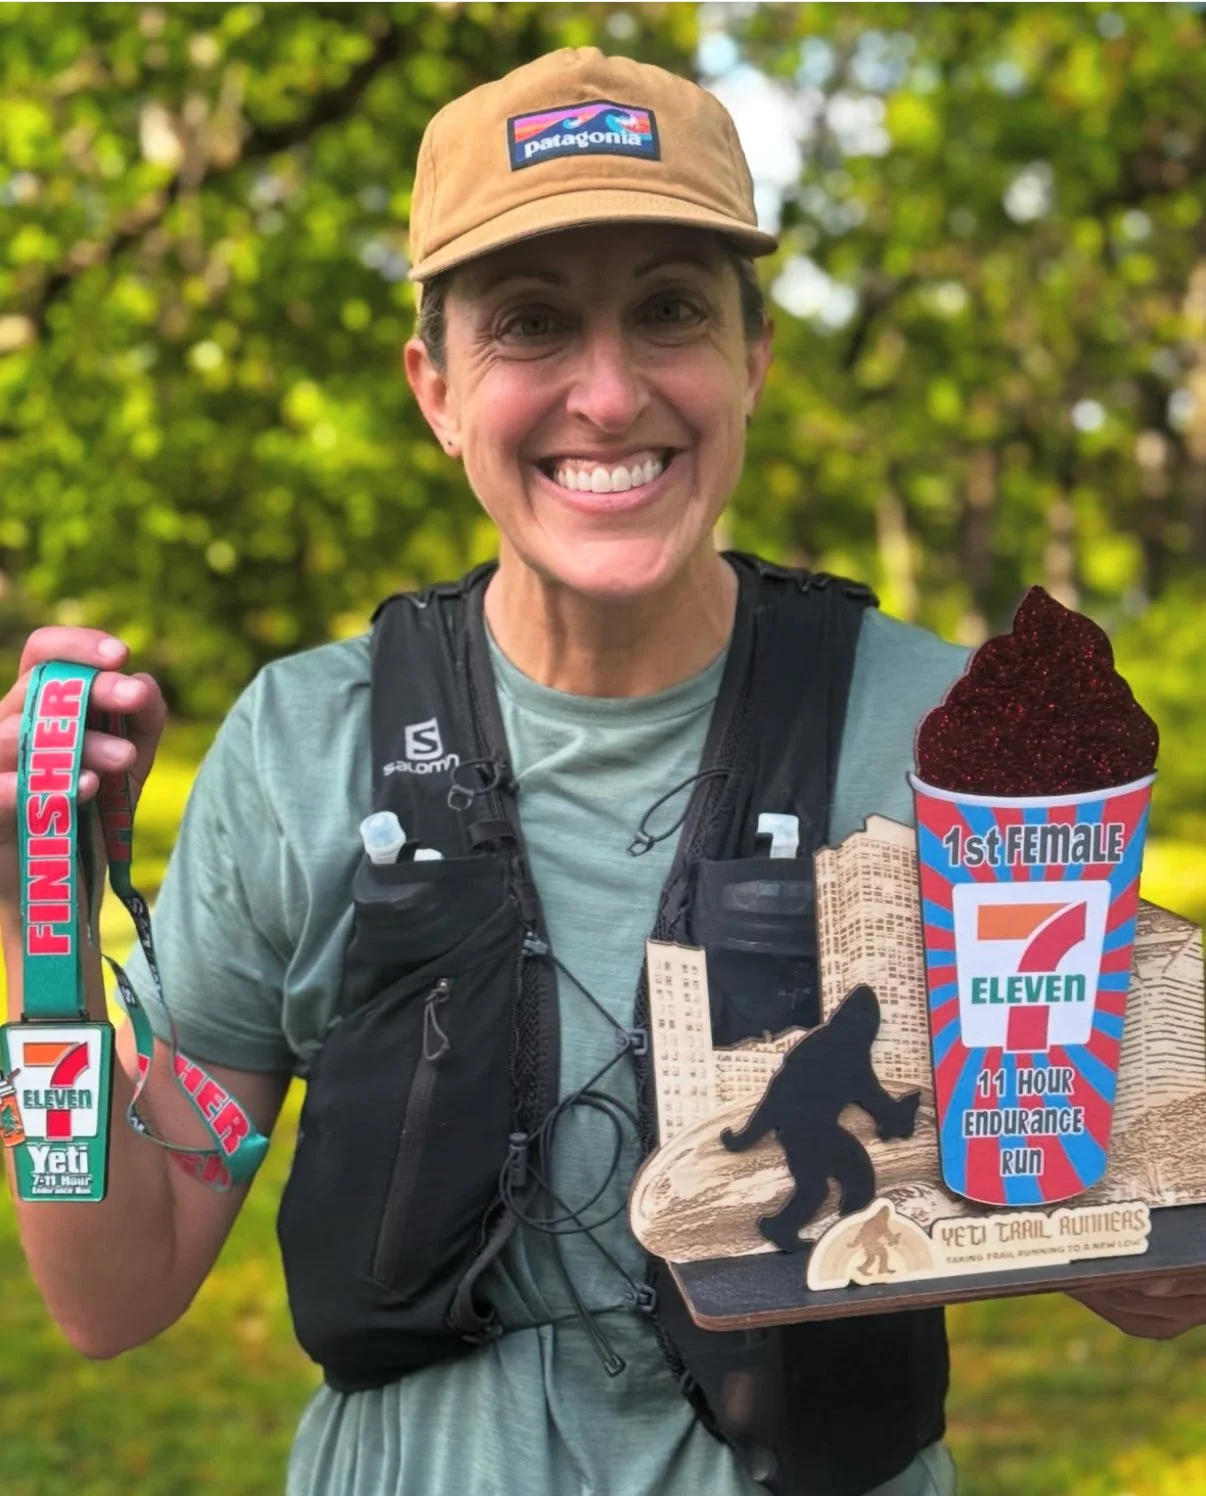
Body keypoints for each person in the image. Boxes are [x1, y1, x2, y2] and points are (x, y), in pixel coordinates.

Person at [2, 45, 1204, 1496]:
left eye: (670, 311)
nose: (610, 389)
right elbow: (111, 1295)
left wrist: (1134, 1244)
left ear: (752, 356)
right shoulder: (298, 751)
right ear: (435, 388)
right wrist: (37, 924)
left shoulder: (940, 738)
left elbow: (1121, 1226)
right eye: (528, 324)